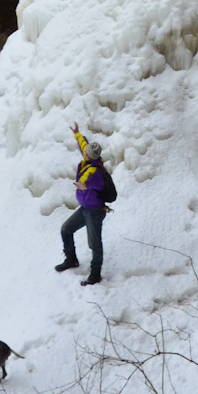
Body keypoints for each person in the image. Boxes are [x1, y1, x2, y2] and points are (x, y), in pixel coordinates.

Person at [54, 122, 116, 285]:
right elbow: (84, 145)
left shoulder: (95, 174)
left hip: (94, 211)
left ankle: (95, 275)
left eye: (86, 153)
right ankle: (71, 259)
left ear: (89, 157)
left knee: (94, 244)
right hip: (85, 209)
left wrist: (83, 186)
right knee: (66, 229)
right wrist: (77, 133)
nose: (84, 153)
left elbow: (92, 184)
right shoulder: (90, 159)